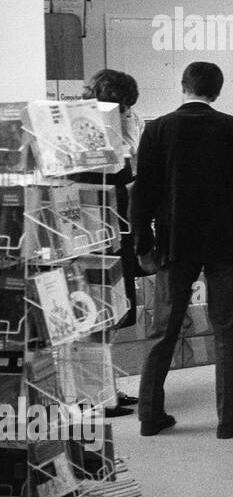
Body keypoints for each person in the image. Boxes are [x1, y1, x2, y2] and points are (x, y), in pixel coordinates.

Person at [132, 62, 233, 438]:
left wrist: (144, 243)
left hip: (175, 243)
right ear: (218, 91)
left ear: (183, 86)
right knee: (227, 330)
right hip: (223, 242)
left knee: (164, 330)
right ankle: (227, 419)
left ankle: (150, 415)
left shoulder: (156, 129)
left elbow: (142, 195)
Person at [77, 69, 143, 417]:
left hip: (110, 233)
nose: (130, 114)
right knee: (100, 318)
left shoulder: (95, 131)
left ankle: (106, 390)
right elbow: (124, 177)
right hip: (101, 237)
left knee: (110, 316)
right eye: (126, 108)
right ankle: (98, 396)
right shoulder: (98, 138)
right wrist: (129, 142)